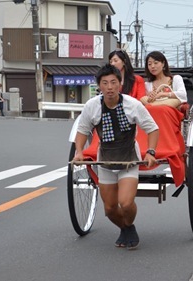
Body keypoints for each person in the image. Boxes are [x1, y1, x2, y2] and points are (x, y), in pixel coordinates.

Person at [73, 64, 159, 249]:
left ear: (120, 84)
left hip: (129, 159)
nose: (109, 87)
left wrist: (151, 152)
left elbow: (152, 129)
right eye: (105, 83)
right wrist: (79, 151)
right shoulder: (92, 106)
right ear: (99, 86)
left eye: (113, 82)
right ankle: (127, 227)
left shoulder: (133, 105)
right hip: (105, 160)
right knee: (110, 209)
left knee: (126, 203)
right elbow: (82, 131)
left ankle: (127, 226)